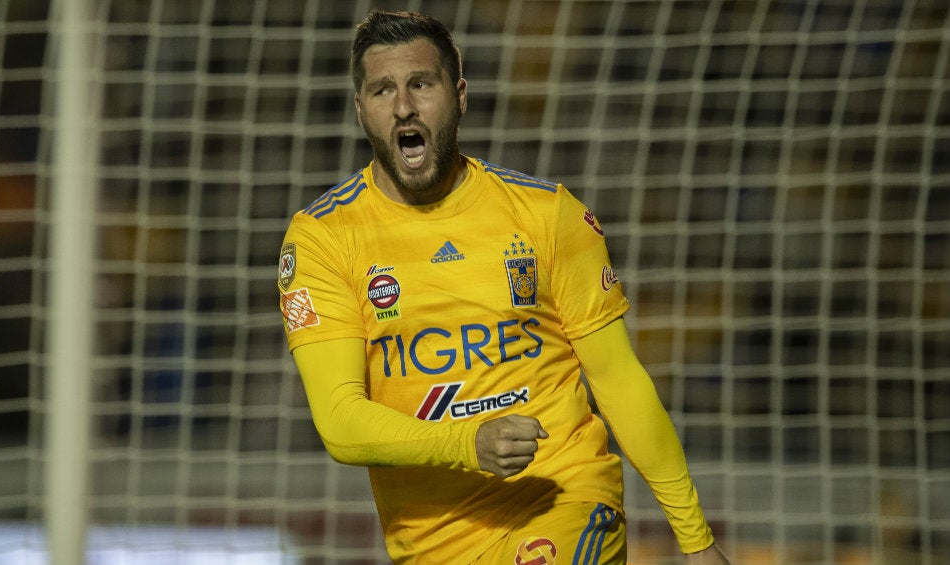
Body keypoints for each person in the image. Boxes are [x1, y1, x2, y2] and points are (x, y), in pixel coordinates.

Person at [278, 9, 730, 565]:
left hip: (562, 496)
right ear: (359, 109)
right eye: (382, 90)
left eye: (421, 84)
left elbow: (617, 380)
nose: (403, 107)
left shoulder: (547, 214)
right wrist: (468, 445)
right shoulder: (322, 238)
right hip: (434, 541)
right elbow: (340, 422)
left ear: (459, 95)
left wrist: (696, 539)